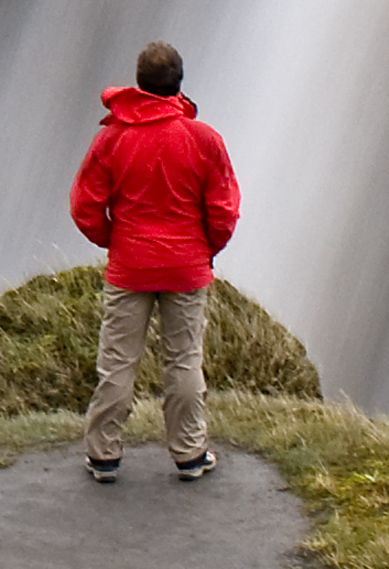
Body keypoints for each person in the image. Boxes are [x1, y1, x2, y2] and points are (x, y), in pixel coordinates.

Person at [68, 40, 238, 483]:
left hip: (129, 266)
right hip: (186, 266)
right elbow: (223, 210)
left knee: (118, 362)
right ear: (179, 83)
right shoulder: (204, 140)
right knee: (184, 361)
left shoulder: (112, 139)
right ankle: (189, 454)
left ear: (139, 84)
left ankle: (103, 455)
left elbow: (85, 206)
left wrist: (114, 241)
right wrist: (206, 251)